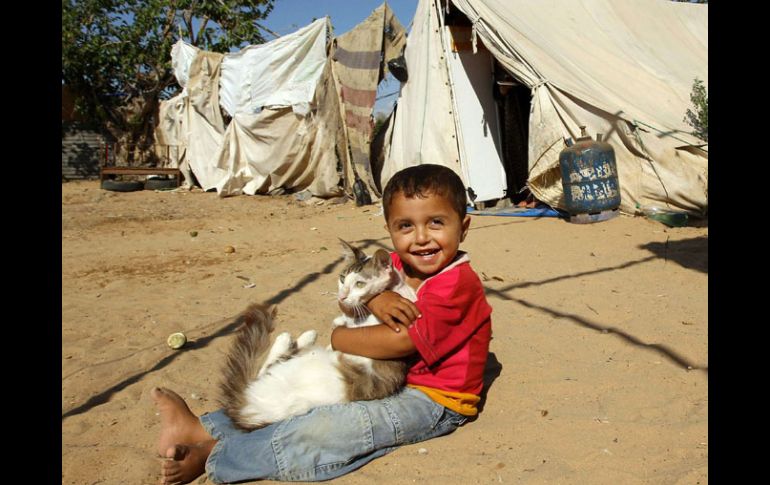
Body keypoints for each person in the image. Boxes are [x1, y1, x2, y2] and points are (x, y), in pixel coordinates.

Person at [153, 163, 493, 484]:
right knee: (295, 393)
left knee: (330, 428)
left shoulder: (456, 285)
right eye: (406, 226)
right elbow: (363, 284)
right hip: (381, 379)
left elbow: (401, 341)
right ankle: (201, 428)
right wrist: (377, 297)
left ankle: (219, 455)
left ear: (462, 228)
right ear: (389, 229)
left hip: (432, 400)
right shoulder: (392, 265)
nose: (421, 238)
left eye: (436, 223)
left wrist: (340, 337)